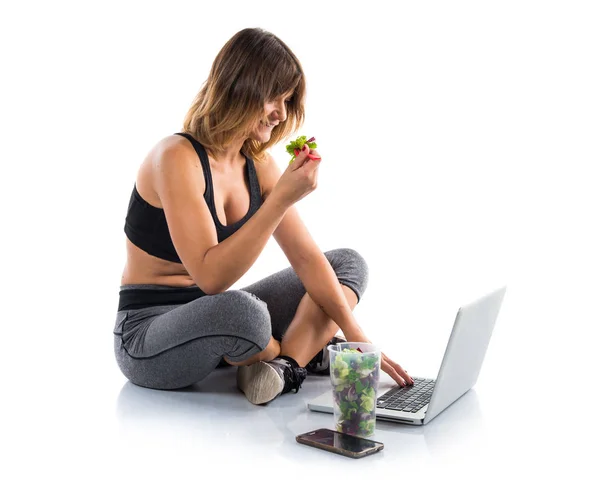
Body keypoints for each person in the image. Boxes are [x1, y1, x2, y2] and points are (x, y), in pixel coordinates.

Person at [113, 27, 414, 406]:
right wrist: (278, 202)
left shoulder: (257, 164)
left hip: (214, 316)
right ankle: (301, 350)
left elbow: (305, 258)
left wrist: (359, 339)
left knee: (345, 265)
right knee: (245, 313)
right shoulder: (176, 157)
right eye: (275, 98)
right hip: (147, 336)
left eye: (288, 101)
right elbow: (211, 278)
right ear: (240, 86)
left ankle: (283, 368)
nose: (281, 114)